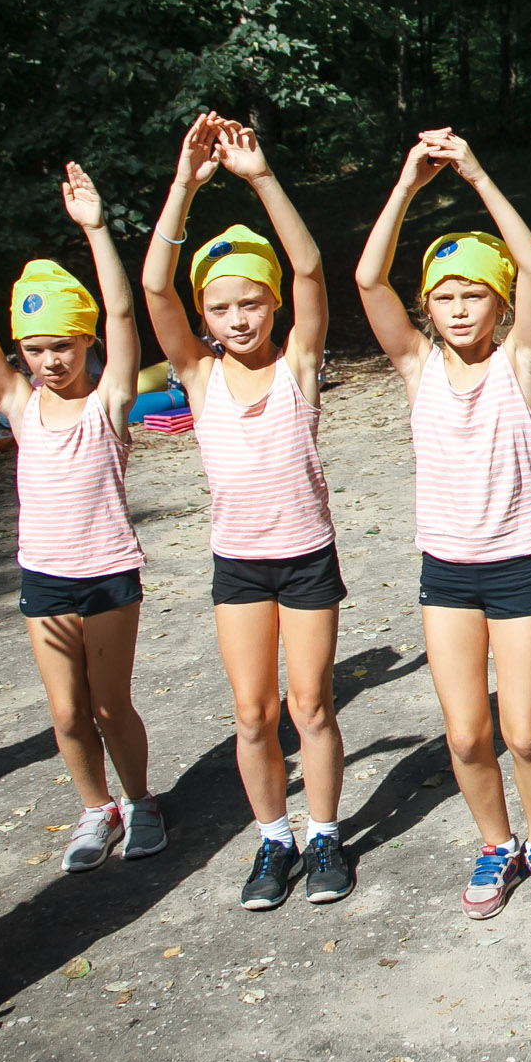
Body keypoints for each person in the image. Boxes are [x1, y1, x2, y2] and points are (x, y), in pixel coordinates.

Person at [354, 128, 531, 916]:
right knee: (466, 733)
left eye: (473, 293)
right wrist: (409, 181)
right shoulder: (416, 369)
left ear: (500, 302)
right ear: (427, 306)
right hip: (445, 573)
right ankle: (495, 844)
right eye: (443, 296)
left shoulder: (520, 366)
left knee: (521, 727)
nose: (456, 307)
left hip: (516, 565)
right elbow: (366, 275)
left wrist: (477, 172)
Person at [140, 114, 352, 910]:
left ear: (272, 307)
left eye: (252, 303)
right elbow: (155, 287)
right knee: (253, 712)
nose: (238, 317)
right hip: (238, 563)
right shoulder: (197, 376)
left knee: (310, 704)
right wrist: (184, 187)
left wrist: (261, 178)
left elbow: (309, 266)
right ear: (205, 315)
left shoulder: (301, 363)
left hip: (305, 556)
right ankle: (273, 839)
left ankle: (324, 832)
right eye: (222, 306)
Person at [0, 163, 163, 871]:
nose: (47, 360)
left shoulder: (109, 403)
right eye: (34, 349)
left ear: (86, 341)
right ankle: (97, 809)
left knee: (108, 706)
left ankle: (140, 799)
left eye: (60, 345)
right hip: (45, 580)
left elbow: (124, 315)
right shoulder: (18, 404)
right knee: (66, 712)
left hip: (108, 577)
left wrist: (96, 228)